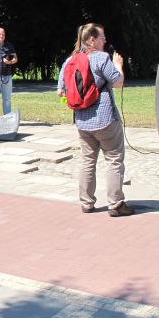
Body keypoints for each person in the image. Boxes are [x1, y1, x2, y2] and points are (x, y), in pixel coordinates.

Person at [58, 24, 133, 217]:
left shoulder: (70, 60)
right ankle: (116, 204)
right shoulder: (102, 58)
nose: (104, 41)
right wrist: (118, 66)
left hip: (82, 121)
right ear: (92, 40)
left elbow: (61, 91)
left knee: (87, 161)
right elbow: (118, 82)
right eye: (102, 37)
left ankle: (86, 203)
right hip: (105, 119)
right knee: (114, 160)